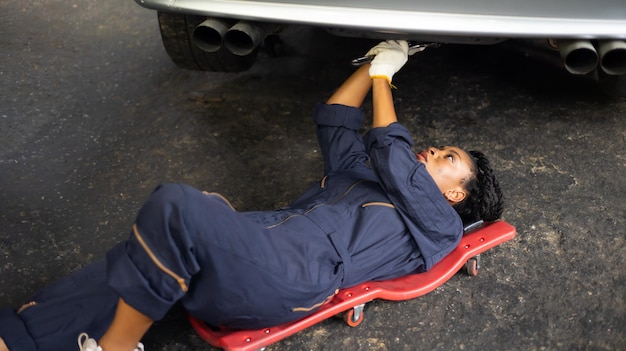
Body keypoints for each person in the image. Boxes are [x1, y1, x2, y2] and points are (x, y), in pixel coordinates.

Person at [0, 40, 504, 351]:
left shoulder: (437, 225)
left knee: (175, 207)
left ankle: (115, 348)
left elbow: (392, 150)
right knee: (132, 256)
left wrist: (383, 77)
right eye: (437, 148)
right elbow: (336, 117)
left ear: (456, 194)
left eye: (446, 158)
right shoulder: (367, 176)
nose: (431, 150)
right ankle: (21, 337)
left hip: (294, 275)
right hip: (261, 244)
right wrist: (375, 57)